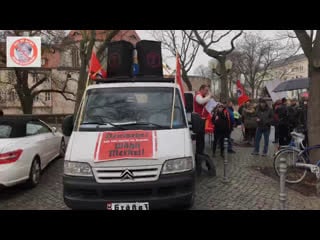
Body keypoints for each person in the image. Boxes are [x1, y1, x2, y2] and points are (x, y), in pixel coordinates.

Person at [193, 84, 213, 154]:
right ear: (201, 89)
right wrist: (209, 96)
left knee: (201, 138)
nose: (207, 92)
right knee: (199, 139)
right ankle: (199, 154)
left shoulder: (202, 96)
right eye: (206, 90)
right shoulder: (198, 96)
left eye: (207, 90)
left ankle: (201, 152)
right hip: (198, 120)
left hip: (202, 120)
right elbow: (201, 101)